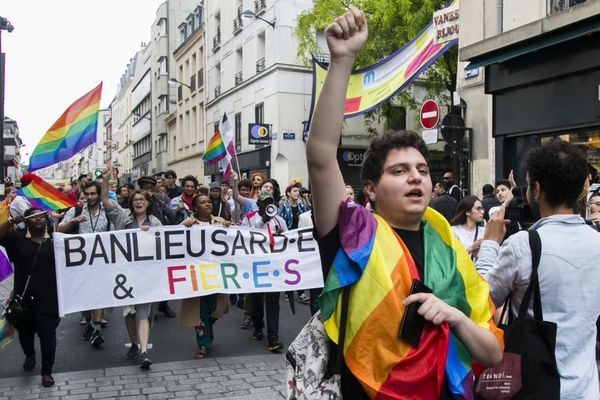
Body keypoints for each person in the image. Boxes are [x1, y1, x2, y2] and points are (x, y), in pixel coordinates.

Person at [305, 8, 502, 398]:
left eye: (422, 169)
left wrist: (455, 317)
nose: (415, 177)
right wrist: (342, 60)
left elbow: (493, 352)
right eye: (398, 171)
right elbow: (320, 154)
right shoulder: (352, 236)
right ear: (371, 190)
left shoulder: (449, 246)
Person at [476, 140, 600, 399]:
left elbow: (480, 300)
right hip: (587, 388)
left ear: (536, 189)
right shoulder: (597, 241)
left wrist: (489, 245)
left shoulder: (526, 245)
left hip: (537, 386)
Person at [100, 174, 160, 369]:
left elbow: (164, 245)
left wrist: (150, 236)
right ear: (131, 203)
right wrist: (106, 182)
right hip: (125, 273)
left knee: (142, 312)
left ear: (148, 203)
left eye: (142, 199)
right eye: (135, 200)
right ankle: (134, 343)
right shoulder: (123, 216)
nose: (139, 202)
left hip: (146, 274)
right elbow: (106, 202)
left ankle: (143, 352)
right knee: (129, 313)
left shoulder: (155, 223)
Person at [0, 208, 59, 387]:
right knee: (25, 334)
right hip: (23, 299)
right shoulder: (16, 239)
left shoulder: (56, 241)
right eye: (34, 217)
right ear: (26, 221)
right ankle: (29, 354)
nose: (39, 219)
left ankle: (47, 371)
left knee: (47, 335)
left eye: (42, 216)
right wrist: (11, 222)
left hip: (49, 298)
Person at [58, 181, 112, 347]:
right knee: (84, 294)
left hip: (102, 259)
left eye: (93, 194)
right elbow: (60, 229)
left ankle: (97, 329)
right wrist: (73, 221)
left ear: (98, 194)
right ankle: (89, 321)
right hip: (81, 260)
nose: (90, 197)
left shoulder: (107, 212)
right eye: (87, 194)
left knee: (99, 293)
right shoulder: (76, 210)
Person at [179, 194, 229, 359]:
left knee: (217, 308)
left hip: (216, 273)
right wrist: (181, 226)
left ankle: (207, 328)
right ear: (195, 208)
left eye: (208, 201)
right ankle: (203, 344)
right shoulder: (188, 225)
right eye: (202, 202)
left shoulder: (220, 222)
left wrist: (230, 228)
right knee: (200, 311)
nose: (207, 204)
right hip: (197, 274)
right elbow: (172, 239)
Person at [242, 190, 287, 352]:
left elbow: (288, 241)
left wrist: (282, 237)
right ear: (258, 204)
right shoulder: (248, 219)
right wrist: (263, 221)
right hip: (256, 266)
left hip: (274, 267)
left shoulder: (280, 221)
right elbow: (245, 238)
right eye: (265, 202)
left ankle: (273, 337)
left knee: (273, 302)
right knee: (256, 300)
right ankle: (258, 327)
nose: (269, 205)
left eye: (271, 202)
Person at [450, 196, 484, 260]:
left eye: (482, 209)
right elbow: (451, 257)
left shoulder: (484, 231)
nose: (482, 212)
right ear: (467, 212)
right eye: (478, 209)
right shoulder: (454, 231)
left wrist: (477, 255)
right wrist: (470, 249)